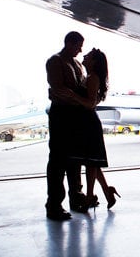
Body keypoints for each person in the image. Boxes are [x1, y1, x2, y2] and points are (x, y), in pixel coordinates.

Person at [68, 48, 121, 210]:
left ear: (94, 62)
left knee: (90, 162)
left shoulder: (92, 78)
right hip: (87, 122)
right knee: (93, 162)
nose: (84, 56)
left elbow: (90, 103)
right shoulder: (90, 77)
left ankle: (90, 196)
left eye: (88, 56)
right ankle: (107, 191)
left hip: (88, 123)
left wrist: (71, 95)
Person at [45, 31, 88, 220]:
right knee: (58, 160)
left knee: (75, 159)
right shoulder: (55, 61)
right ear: (70, 43)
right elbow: (58, 89)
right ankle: (54, 205)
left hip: (75, 115)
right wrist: (81, 100)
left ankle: (76, 198)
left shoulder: (77, 64)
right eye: (79, 45)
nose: (80, 50)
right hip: (61, 114)